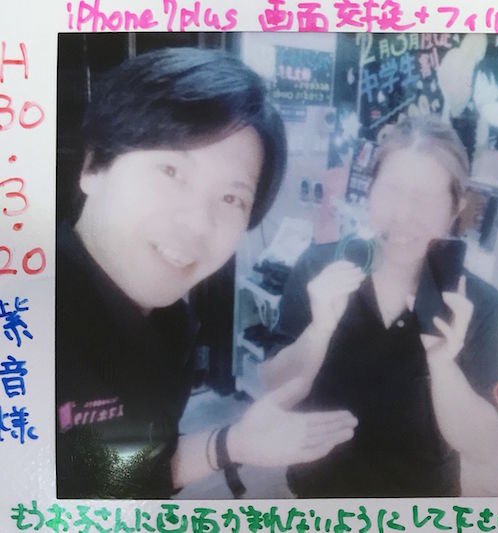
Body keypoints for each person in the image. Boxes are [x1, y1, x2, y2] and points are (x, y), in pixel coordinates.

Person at [56, 47, 357, 499]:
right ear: (94, 166)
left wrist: (232, 443)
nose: (198, 223)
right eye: (171, 170)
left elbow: (121, 475)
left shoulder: (173, 325)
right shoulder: (30, 320)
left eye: (232, 198)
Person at [260, 116, 498, 497]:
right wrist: (318, 332)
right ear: (370, 189)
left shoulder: (480, 303)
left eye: (425, 199)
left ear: (455, 208)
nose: (402, 215)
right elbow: (275, 387)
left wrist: (443, 365)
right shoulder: (319, 267)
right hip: (316, 499)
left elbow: (484, 446)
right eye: (391, 190)